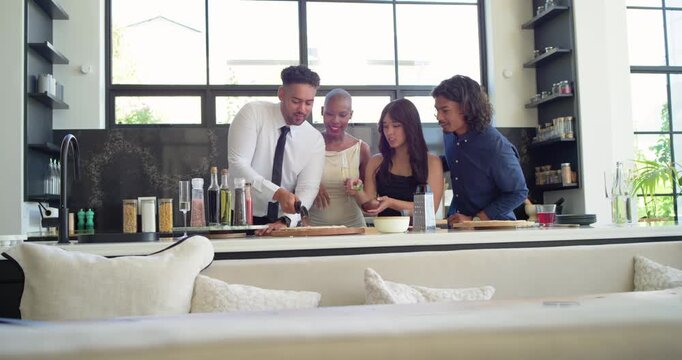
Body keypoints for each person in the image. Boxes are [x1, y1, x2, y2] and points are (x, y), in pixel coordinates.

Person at [227, 65, 325, 235]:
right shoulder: (253, 113)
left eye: (309, 103)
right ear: (281, 94)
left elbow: (308, 188)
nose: (302, 109)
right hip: (239, 216)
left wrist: (287, 220)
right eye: (296, 101)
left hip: (283, 222)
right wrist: (277, 193)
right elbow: (238, 165)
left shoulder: (314, 139)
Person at [432, 75, 528, 226]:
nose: (439, 117)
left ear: (466, 108)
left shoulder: (496, 146)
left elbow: (518, 192)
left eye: (445, 110)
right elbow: (458, 162)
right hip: (461, 225)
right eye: (437, 110)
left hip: (494, 231)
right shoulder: (450, 135)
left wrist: (476, 220)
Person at [347, 98, 444, 217]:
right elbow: (371, 207)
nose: (389, 132)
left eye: (396, 125)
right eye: (385, 126)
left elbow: (430, 208)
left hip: (418, 233)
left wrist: (391, 203)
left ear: (411, 127)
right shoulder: (376, 162)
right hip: (385, 232)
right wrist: (358, 190)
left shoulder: (432, 162)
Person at [309, 89, 371, 227]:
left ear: (351, 114)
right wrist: (309, 185)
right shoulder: (308, 145)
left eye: (342, 115)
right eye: (329, 114)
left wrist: (358, 190)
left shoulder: (361, 149)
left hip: (354, 227)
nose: (335, 121)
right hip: (315, 227)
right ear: (322, 111)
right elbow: (291, 185)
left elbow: (368, 199)